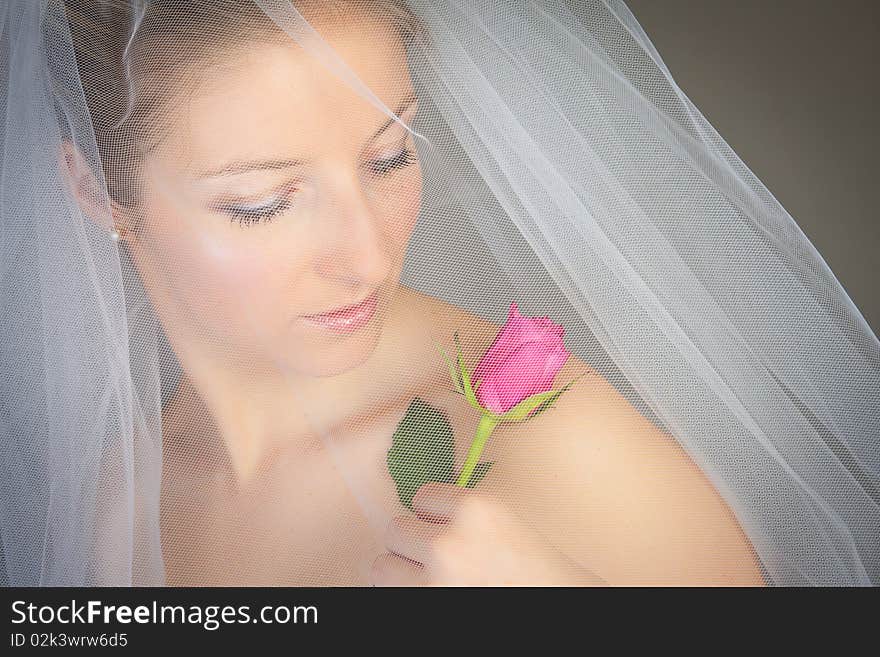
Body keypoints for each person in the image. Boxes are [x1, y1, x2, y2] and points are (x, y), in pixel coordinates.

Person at [1, 0, 876, 586]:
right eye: (263, 203)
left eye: (390, 157)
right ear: (97, 191)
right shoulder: (108, 498)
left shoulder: (556, 442)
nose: (368, 256)